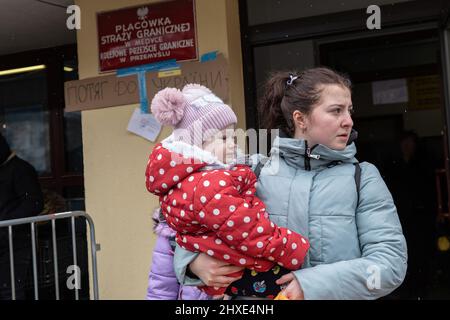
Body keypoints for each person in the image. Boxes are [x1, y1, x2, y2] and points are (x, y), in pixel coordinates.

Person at [173, 68, 408, 300]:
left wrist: (311, 285)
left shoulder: (362, 177)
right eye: (336, 111)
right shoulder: (251, 172)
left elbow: (388, 264)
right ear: (300, 118)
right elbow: (190, 223)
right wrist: (193, 262)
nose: (348, 121)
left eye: (349, 111)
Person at [145, 84, 310, 299]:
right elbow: (162, 283)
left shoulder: (224, 179)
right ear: (196, 145)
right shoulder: (210, 185)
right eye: (224, 139)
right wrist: (290, 247)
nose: (233, 145)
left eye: (233, 137)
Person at [0, 132, 44, 299]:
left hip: (15, 242)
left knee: (9, 291)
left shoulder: (20, 169)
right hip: (5, 238)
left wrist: (5, 222)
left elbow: (34, 203)